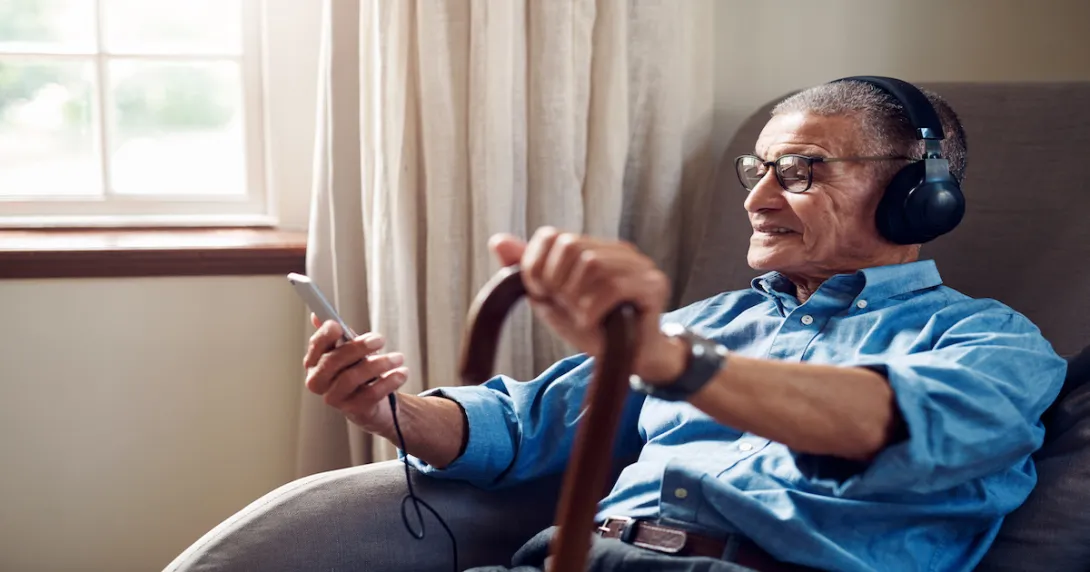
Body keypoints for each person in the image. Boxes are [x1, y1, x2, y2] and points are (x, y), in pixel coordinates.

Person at [303, 78, 1067, 572]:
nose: (758, 199)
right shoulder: (705, 323)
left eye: (798, 171)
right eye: (757, 170)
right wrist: (387, 409)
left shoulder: (991, 344)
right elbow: (520, 424)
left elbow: (886, 423)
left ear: (918, 196)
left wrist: (683, 366)